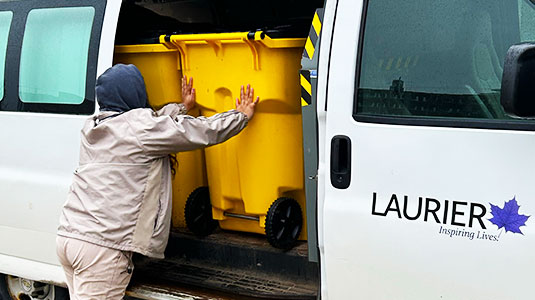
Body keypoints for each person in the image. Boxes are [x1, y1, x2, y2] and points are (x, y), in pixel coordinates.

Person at [56, 64, 259, 299]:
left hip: (70, 238)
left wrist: (182, 107)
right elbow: (199, 131)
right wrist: (240, 116)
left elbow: (151, 124)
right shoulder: (140, 129)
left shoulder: (94, 127)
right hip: (103, 247)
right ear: (135, 93)